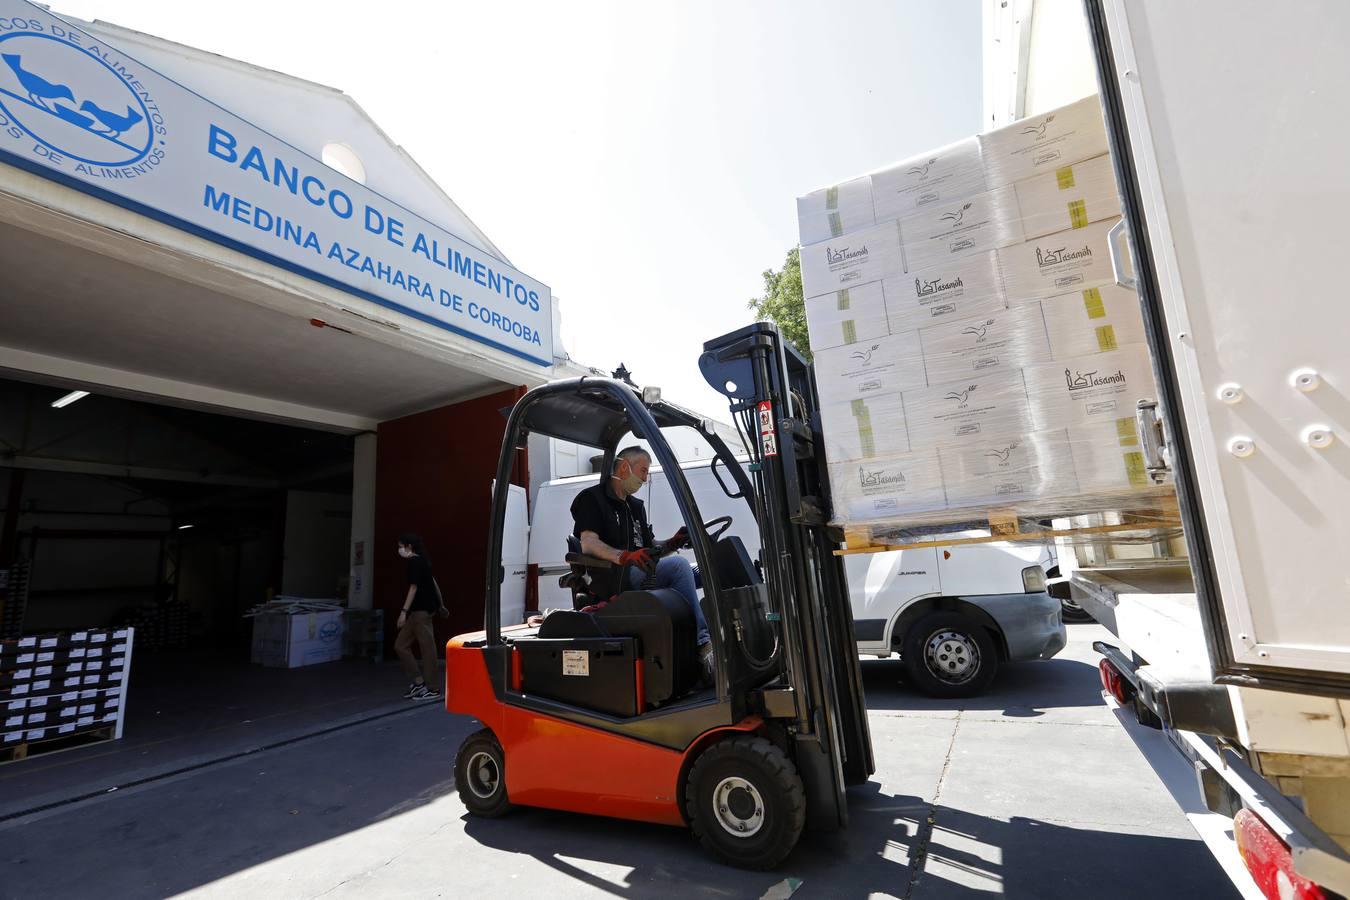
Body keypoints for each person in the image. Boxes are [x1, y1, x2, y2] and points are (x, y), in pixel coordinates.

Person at [570, 446, 713, 683]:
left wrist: (673, 542)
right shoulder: (593, 499)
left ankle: (706, 639)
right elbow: (588, 543)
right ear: (625, 467)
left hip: (638, 571)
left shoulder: (635, 507)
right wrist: (624, 556)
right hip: (614, 577)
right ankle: (703, 644)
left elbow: (650, 548)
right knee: (678, 567)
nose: (645, 479)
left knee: (703, 569)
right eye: (643, 471)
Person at [394, 532, 442, 701]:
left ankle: (432, 688)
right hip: (418, 612)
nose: (399, 550)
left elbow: (413, 588)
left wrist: (403, 612)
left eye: (401, 547)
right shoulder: (422, 561)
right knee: (401, 645)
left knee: (427, 649)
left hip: (420, 611)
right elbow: (433, 583)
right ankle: (419, 682)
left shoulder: (415, 561)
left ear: (409, 547)